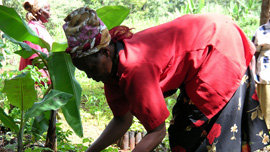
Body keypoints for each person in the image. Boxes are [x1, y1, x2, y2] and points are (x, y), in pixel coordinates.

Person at [63, 7, 270, 152]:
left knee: (201, 133)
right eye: (84, 72)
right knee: (182, 133)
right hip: (204, 46)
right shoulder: (110, 71)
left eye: (90, 68)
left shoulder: (134, 69)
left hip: (217, 46)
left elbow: (156, 132)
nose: (90, 76)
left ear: (105, 53)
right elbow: (122, 119)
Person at [19, 0, 53, 85]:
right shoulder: (32, 29)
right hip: (36, 80)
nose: (50, 14)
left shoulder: (40, 27)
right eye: (48, 10)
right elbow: (36, 59)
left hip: (43, 76)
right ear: (39, 12)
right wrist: (48, 81)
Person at [252, 14, 270, 131]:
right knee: (265, 111)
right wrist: (253, 74)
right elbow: (253, 54)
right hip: (265, 76)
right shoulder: (261, 31)